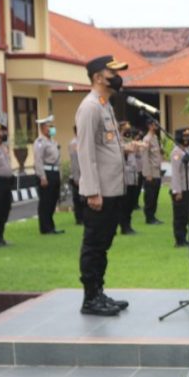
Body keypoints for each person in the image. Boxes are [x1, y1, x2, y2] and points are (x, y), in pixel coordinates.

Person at [76, 55, 131, 316]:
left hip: (112, 189)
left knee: (103, 245)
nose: (117, 77)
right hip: (99, 192)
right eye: (113, 72)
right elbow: (85, 152)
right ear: (98, 77)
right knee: (94, 245)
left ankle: (99, 292)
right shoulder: (89, 107)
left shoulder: (104, 105)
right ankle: (90, 298)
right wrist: (92, 191)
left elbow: (106, 147)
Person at [32, 116, 64, 235]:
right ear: (42, 128)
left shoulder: (53, 142)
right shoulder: (40, 142)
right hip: (46, 173)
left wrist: (59, 174)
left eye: (52, 126)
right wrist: (42, 177)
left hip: (54, 172)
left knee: (53, 200)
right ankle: (45, 227)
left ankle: (51, 226)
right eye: (49, 126)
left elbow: (58, 160)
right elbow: (38, 160)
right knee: (45, 201)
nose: (52, 128)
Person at [170, 127, 189, 247]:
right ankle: (180, 240)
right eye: (184, 137)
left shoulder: (186, 151)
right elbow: (176, 173)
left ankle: (184, 238)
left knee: (186, 214)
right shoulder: (176, 152)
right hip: (181, 189)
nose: (187, 139)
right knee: (180, 216)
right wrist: (177, 191)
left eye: (188, 137)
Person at [119, 124, 142, 235]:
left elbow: (138, 150)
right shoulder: (119, 142)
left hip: (133, 176)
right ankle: (124, 226)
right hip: (125, 178)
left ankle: (128, 225)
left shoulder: (129, 141)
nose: (128, 131)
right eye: (126, 129)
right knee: (125, 204)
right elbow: (126, 150)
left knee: (131, 203)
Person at [141, 119, 164, 225]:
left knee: (155, 196)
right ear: (150, 126)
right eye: (155, 124)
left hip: (157, 171)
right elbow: (144, 157)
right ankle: (149, 218)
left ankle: (153, 216)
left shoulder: (155, 138)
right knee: (150, 196)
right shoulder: (147, 139)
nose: (157, 126)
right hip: (151, 173)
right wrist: (147, 174)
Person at [69, 125, 84, 225]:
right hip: (78, 175)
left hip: (83, 174)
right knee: (78, 199)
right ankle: (79, 219)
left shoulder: (81, 142)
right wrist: (76, 177)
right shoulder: (74, 143)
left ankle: (83, 217)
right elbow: (75, 162)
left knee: (83, 198)